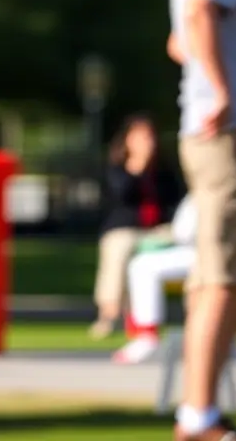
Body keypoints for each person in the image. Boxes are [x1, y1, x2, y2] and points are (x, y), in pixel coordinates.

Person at [170, 0, 236, 441]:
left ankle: (202, 415)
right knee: (225, 279)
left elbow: (177, 42)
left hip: (204, 135)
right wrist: (221, 89)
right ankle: (198, 418)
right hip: (229, 133)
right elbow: (198, 17)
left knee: (215, 279)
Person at [90, 114, 181, 338]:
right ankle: (109, 312)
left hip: (158, 229)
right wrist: (138, 165)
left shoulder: (163, 172)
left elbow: (174, 201)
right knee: (120, 249)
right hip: (125, 229)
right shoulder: (117, 169)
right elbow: (122, 195)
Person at [113, 195, 197, 363]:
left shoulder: (208, 188)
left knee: (143, 266)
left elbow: (184, 232)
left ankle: (147, 336)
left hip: (208, 255)